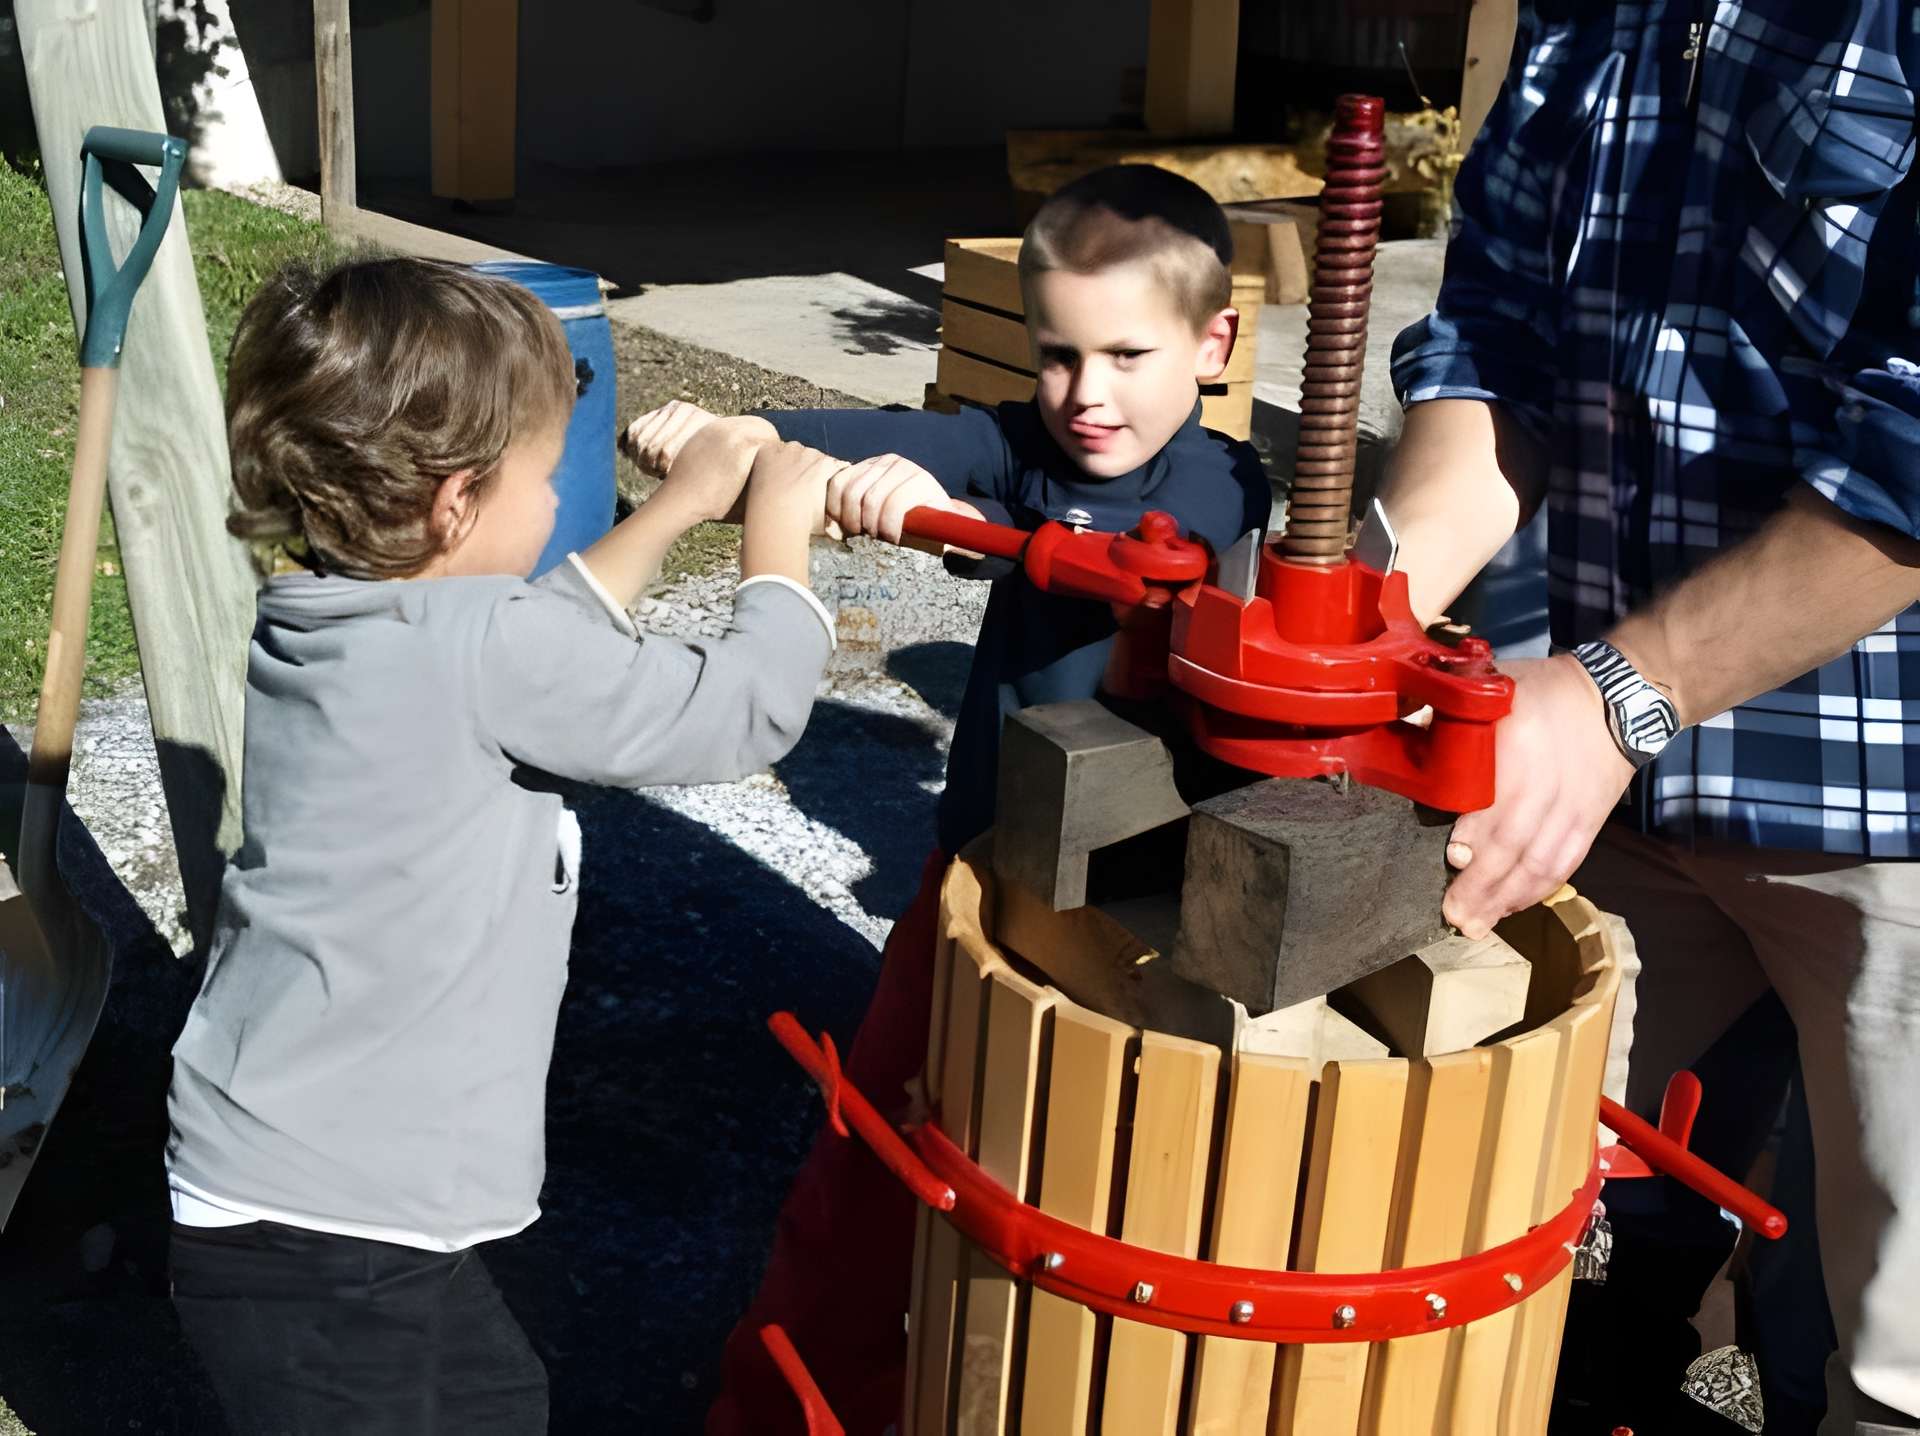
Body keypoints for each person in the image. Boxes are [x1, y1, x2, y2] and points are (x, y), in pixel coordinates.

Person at [624, 163, 1273, 1433]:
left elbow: (1144, 575)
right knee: (872, 1149)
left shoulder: (1226, 487)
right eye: (1058, 355)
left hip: (1145, 921)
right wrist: (754, 442)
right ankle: (784, 1405)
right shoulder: (1029, 446)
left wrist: (940, 517)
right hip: (974, 876)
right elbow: (897, 436)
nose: (1088, 395)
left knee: (1094, 1189)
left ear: (1214, 345)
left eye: (1128, 354)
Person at [164, 255, 854, 1434]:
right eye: (544, 478)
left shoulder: (328, 611)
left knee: (496, 1396)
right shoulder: (483, 650)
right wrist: (778, 543)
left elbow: (527, 631)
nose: (554, 504)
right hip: (345, 1227)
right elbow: (744, 710)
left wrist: (681, 505)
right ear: (454, 501)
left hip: (284, 1185)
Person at [1379, 3, 1920, 1431]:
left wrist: (1631, 689)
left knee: (1895, 1369)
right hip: (1611, 785)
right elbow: (1488, 334)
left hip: (1889, 810)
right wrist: (1365, 610)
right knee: (1512, 1247)